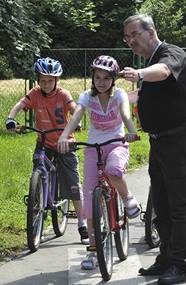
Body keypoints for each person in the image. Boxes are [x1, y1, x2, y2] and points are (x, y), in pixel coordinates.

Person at [120, 14, 186, 285]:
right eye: (127, 37)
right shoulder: (151, 62)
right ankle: (166, 257)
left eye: (134, 34)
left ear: (151, 30)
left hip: (180, 142)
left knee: (181, 206)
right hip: (160, 142)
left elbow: (165, 72)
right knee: (162, 205)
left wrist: (140, 74)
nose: (130, 41)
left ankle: (178, 267)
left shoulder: (171, 54)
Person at [57, 55, 140, 270]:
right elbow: (76, 117)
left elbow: (124, 113)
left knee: (113, 170)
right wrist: (65, 136)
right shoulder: (87, 96)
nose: (101, 82)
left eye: (106, 78)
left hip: (116, 143)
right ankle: (93, 251)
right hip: (94, 147)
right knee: (88, 198)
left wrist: (131, 131)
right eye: (97, 77)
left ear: (114, 79)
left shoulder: (119, 95)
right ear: (93, 78)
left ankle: (127, 197)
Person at [5, 57, 88, 245]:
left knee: (73, 183)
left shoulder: (63, 94)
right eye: (43, 80)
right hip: (43, 142)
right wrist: (11, 118)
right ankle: (38, 215)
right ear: (38, 80)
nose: (46, 84)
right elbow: (19, 105)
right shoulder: (35, 94)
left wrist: (77, 121)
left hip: (65, 142)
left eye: (50, 80)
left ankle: (82, 225)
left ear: (57, 80)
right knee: (38, 175)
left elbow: (74, 108)